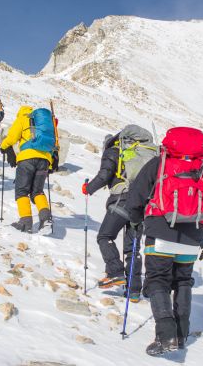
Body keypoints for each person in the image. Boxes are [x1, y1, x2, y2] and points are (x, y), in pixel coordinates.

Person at [126, 126, 203, 356]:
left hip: (160, 230)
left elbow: (136, 196)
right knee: (183, 280)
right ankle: (181, 333)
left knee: (157, 280)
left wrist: (135, 221)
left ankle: (166, 334)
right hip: (193, 235)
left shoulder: (159, 164)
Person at [81, 125, 156, 302]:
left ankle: (115, 272)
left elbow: (105, 174)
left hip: (122, 200)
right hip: (143, 204)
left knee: (105, 236)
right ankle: (134, 291)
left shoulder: (114, 151)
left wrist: (89, 188)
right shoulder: (148, 153)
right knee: (133, 248)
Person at [0, 105, 53, 233]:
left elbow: (12, 137)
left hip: (27, 158)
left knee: (22, 191)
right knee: (38, 192)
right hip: (45, 159)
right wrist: (50, 165)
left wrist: (3, 146)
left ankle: (25, 222)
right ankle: (46, 220)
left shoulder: (23, 117)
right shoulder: (45, 123)